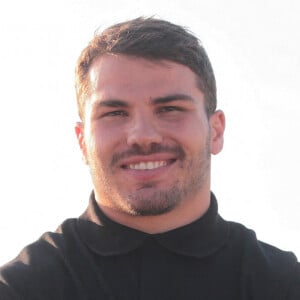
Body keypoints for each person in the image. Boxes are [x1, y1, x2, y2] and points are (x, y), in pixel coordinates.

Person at [0, 17, 299, 300]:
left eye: (170, 109)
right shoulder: (22, 289)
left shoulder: (283, 285)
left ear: (216, 131)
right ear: (82, 141)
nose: (143, 136)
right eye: (115, 113)